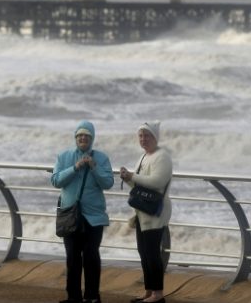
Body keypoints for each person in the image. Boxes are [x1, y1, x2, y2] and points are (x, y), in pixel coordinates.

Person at [51, 120, 114, 303]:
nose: (83, 138)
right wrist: (75, 167)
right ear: (75, 138)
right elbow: (55, 181)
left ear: (92, 138)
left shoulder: (101, 158)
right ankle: (73, 297)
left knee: (91, 256)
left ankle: (92, 297)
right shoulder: (64, 157)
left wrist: (94, 167)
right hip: (70, 215)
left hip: (94, 217)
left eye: (87, 135)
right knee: (72, 257)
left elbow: (108, 183)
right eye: (80, 135)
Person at [120, 121, 172, 303]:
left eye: (147, 135)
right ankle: (149, 291)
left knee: (152, 253)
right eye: (141, 136)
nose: (143, 139)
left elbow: (157, 182)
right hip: (142, 212)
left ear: (155, 137)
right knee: (143, 253)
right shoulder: (143, 157)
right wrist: (128, 178)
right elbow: (139, 184)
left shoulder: (162, 156)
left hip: (155, 212)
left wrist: (133, 176)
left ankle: (158, 294)